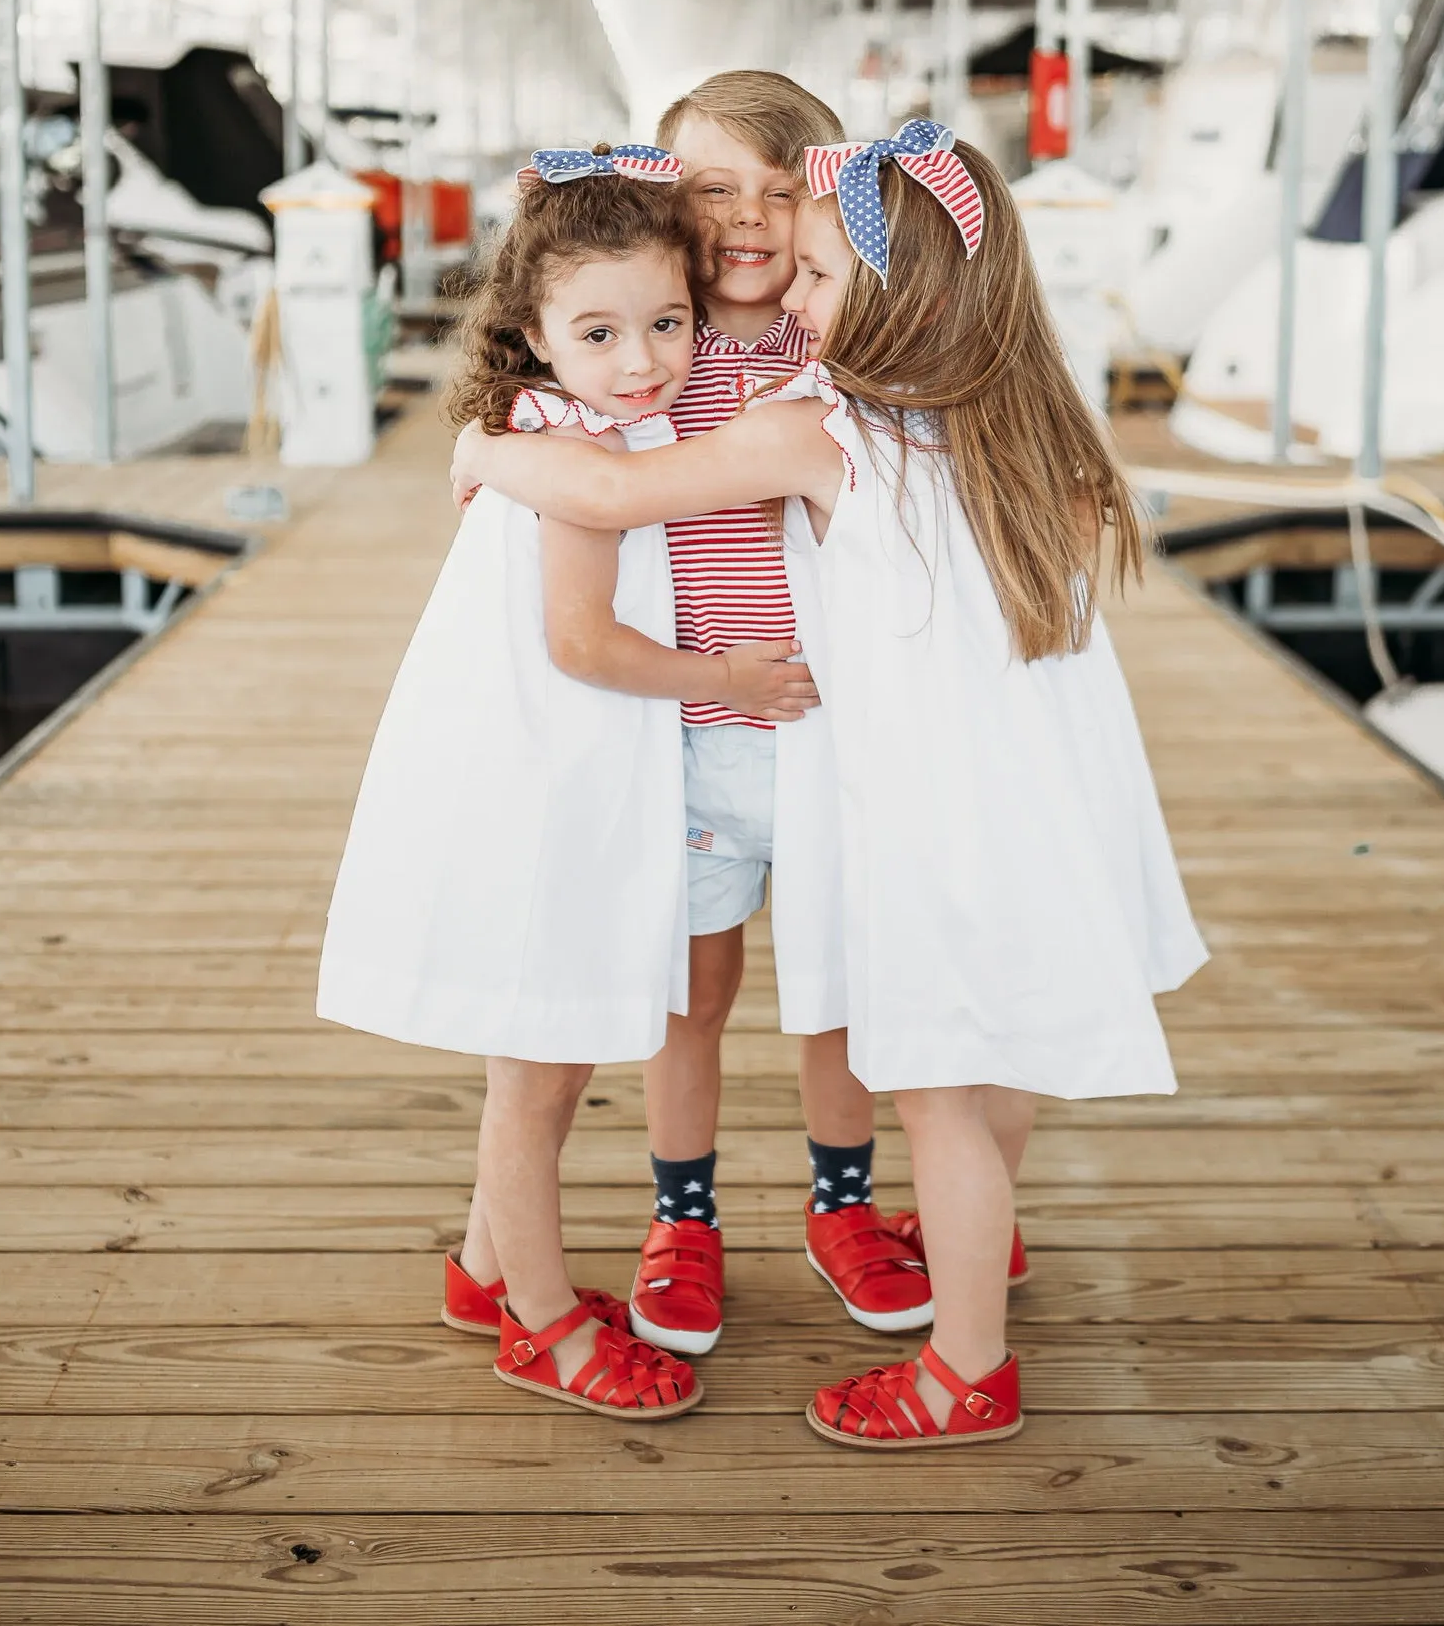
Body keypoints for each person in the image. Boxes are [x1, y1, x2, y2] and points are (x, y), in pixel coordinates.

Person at [452, 118, 1209, 1451]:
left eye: (816, 278)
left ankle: (962, 1369)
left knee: (940, 1092)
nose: (793, 305)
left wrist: (481, 453)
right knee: (994, 1068)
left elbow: (615, 497)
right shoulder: (1022, 421)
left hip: (929, 807)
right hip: (1041, 797)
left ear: (895, 297)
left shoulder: (822, 434)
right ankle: (960, 1239)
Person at [317, 144, 816, 1423]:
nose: (643, 357)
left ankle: (484, 1274)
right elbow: (583, 643)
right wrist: (732, 678)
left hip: (545, 764)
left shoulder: (560, 427)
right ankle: (543, 1327)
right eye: (599, 330)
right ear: (530, 333)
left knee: (543, 1059)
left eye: (665, 322)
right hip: (541, 781)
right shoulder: (579, 450)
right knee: (536, 1078)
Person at [632, 71, 936, 1360]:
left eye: (777, 188)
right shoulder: (642, 342)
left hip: (826, 736)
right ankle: (682, 1217)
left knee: (837, 997)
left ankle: (843, 1203)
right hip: (692, 735)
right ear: (666, 197)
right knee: (687, 996)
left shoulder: (836, 343)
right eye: (713, 188)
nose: (748, 219)